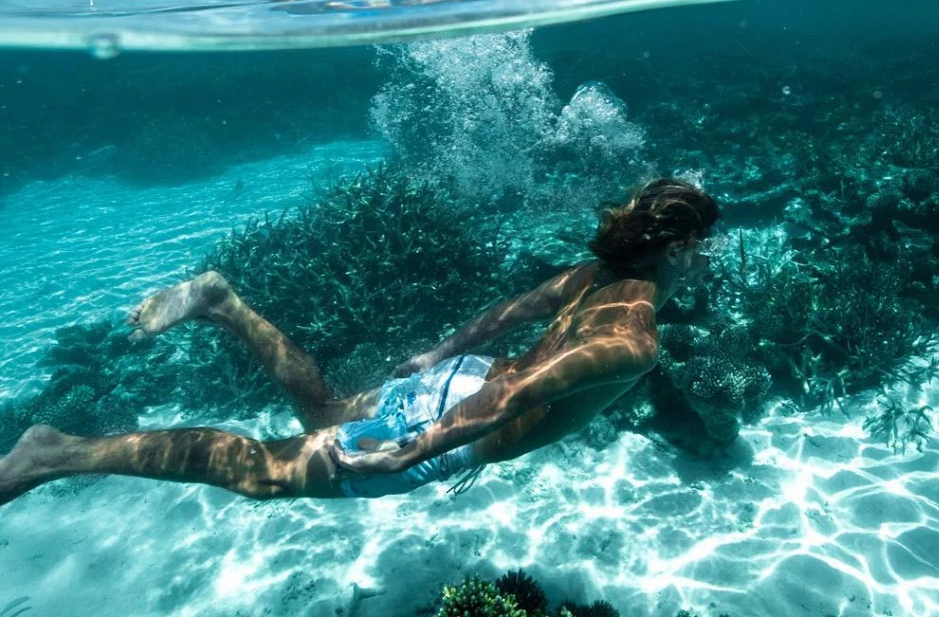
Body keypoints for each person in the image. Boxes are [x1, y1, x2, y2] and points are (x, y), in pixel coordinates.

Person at [0, 178, 719, 506]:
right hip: (458, 425)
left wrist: (437, 355)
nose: (711, 256)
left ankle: (224, 303)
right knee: (263, 473)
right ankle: (56, 454)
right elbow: (521, 393)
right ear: (680, 248)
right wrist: (417, 447)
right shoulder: (635, 338)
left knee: (325, 411)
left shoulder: (592, 275)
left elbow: (507, 314)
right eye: (706, 243)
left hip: (457, 381)